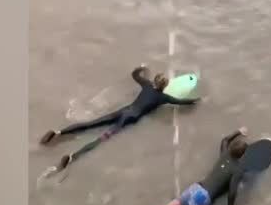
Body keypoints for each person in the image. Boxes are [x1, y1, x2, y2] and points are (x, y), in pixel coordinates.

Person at [41, 65, 199, 172]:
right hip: (130, 119)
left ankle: (58, 132)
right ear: (164, 86)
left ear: (155, 81)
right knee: (99, 140)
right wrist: (196, 100)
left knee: (91, 124)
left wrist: (142, 68)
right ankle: (71, 157)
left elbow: (134, 74)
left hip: (123, 111)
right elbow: (180, 102)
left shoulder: (146, 84)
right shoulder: (163, 97)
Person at [117, 127, 252, 205]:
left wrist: (239, 132)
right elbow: (232, 190)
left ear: (231, 149)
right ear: (242, 155)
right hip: (203, 198)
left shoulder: (224, 153)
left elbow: (225, 140)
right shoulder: (237, 169)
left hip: (195, 188)